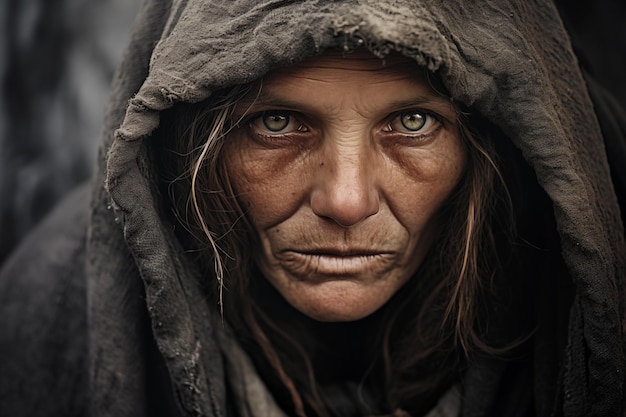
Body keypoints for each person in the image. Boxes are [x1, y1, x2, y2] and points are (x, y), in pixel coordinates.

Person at [0, 1, 624, 416]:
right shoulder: (46, 309)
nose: (346, 201)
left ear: (500, 141)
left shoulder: (579, 280)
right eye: (277, 123)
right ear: (187, 142)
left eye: (413, 122)